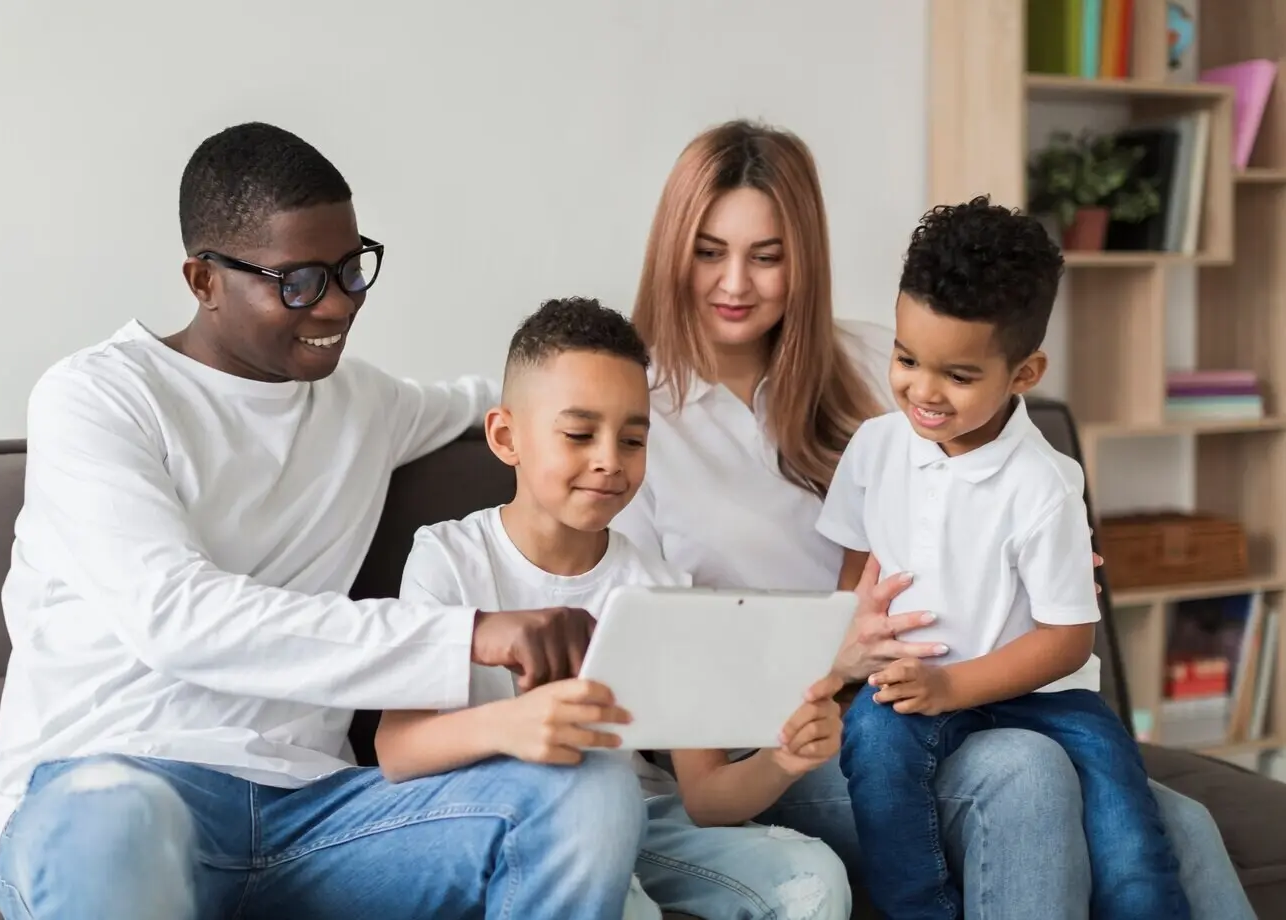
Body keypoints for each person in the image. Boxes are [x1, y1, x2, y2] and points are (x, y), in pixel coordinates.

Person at [0, 122, 649, 920]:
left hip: (313, 819)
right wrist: (468, 634)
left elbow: (505, 404)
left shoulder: (363, 402)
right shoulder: (98, 398)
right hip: (120, 791)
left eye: (349, 269)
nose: (335, 304)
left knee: (587, 788)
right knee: (114, 813)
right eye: (297, 280)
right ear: (204, 279)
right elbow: (178, 618)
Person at [611, 118, 1256, 919]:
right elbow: (666, 661)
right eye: (710, 249)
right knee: (1024, 774)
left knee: (1184, 826)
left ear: (804, 257)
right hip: (792, 736)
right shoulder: (631, 423)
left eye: (767, 255)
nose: (735, 282)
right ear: (672, 247)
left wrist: (1041, 559)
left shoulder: (879, 362)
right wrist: (837, 658)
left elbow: (996, 476)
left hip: (950, 693)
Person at [379, 295, 852, 920]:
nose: (610, 460)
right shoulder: (450, 557)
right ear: (505, 436)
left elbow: (707, 798)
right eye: (579, 434)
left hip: (646, 817)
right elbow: (397, 748)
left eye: (633, 439)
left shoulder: (658, 583)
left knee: (815, 879)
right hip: (519, 822)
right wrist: (517, 727)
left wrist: (783, 760)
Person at [820, 196, 1190, 920]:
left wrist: (950, 688)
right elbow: (852, 580)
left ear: (1023, 374)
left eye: (957, 376)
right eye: (905, 359)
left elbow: (1066, 639)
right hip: (912, 685)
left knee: (1131, 848)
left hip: (1045, 701)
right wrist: (850, 662)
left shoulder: (1044, 486)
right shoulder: (873, 449)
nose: (922, 391)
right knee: (873, 735)